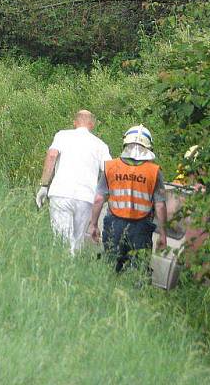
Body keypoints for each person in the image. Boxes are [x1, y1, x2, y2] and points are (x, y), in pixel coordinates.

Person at [89, 125, 167, 272]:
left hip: (114, 225)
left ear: (125, 143)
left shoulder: (111, 167)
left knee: (111, 267)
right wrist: (163, 234)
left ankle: (108, 293)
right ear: (149, 146)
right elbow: (160, 206)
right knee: (139, 271)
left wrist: (93, 224)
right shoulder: (154, 171)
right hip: (141, 228)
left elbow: (99, 199)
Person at [35, 110, 111, 254]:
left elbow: (52, 155)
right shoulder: (101, 145)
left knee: (62, 240)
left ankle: (61, 274)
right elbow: (109, 170)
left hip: (61, 193)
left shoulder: (62, 136)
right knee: (76, 242)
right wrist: (102, 195)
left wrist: (44, 185)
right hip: (86, 198)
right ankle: (71, 272)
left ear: (74, 122)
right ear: (92, 125)